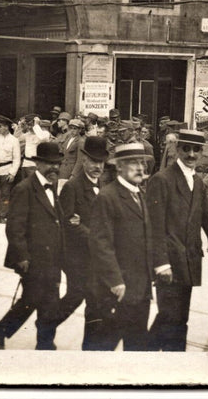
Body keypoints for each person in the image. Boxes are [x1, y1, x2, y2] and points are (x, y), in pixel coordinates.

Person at [146, 129, 208, 351]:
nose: (190, 154)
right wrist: (161, 263)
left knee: (179, 319)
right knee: (170, 318)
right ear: (177, 149)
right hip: (168, 264)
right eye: (185, 149)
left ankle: (160, 359)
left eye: (195, 150)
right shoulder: (162, 179)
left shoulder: (197, 182)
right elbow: (154, 227)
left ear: (201, 152)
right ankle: (153, 360)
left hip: (188, 262)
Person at [0, 142, 65, 351]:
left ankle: (45, 344)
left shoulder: (53, 184)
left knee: (48, 302)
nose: (54, 168)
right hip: (32, 258)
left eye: (57, 164)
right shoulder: (24, 189)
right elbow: (14, 227)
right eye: (49, 164)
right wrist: (22, 256)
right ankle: (0, 330)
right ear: (38, 163)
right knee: (33, 299)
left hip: (52, 258)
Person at [84, 142, 154, 351]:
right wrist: (115, 280)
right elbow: (100, 243)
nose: (140, 168)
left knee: (136, 346)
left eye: (142, 162)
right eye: (134, 163)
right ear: (119, 167)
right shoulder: (108, 196)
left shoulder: (140, 194)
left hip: (140, 288)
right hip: (117, 289)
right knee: (104, 348)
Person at [54, 136, 108, 337]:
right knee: (80, 294)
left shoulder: (104, 186)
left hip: (97, 255)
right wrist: (95, 236)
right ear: (84, 160)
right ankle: (47, 323)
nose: (97, 166)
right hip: (76, 255)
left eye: (101, 162)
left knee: (93, 299)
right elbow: (68, 222)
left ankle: (91, 347)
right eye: (93, 161)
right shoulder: (73, 186)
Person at [59, 117, 85, 182]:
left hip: (71, 170)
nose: (72, 130)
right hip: (62, 169)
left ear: (79, 130)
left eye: (75, 129)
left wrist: (73, 174)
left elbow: (80, 160)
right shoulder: (68, 138)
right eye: (71, 128)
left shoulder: (81, 141)